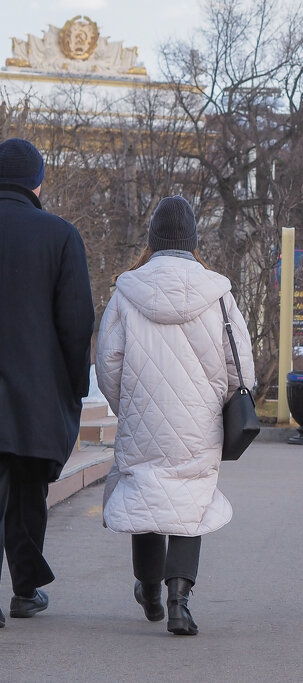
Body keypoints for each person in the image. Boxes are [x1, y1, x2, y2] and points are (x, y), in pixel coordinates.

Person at [95, 196, 255, 636]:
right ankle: (179, 600)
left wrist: (127, 404)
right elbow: (240, 362)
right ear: (193, 240)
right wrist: (215, 398)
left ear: (152, 239)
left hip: (141, 417)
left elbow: (108, 362)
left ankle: (148, 590)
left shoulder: (126, 291)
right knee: (190, 499)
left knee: (146, 491)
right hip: (198, 421)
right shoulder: (217, 293)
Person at [0, 138, 95, 627]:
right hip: (34, 396)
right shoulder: (59, 235)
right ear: (38, 182)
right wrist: (74, 388)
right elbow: (77, 324)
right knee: (27, 491)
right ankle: (24, 590)